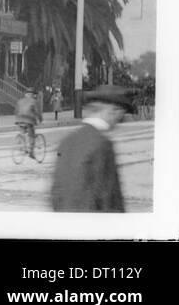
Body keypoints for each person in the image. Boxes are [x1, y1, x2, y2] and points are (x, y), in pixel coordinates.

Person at [50, 84, 132, 212]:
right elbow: (110, 199)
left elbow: (56, 193)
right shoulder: (102, 144)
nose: (119, 122)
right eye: (120, 116)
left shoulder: (67, 141)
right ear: (112, 111)